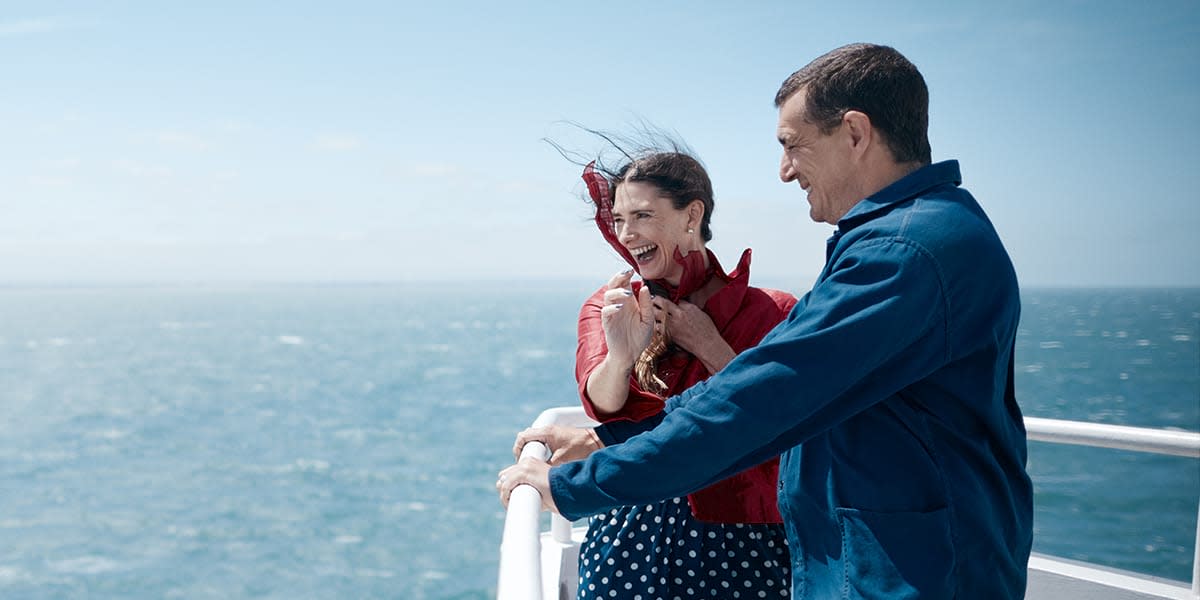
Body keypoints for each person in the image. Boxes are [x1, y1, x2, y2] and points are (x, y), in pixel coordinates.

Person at [499, 43, 1033, 599]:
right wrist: (609, 437)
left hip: (913, 571)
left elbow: (764, 400)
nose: (783, 172)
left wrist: (576, 483)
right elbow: (780, 393)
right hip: (902, 560)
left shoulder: (902, 253)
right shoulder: (915, 235)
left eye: (793, 145)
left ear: (854, 133)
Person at [563, 142, 797, 598]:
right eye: (618, 221)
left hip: (740, 540)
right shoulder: (610, 305)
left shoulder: (773, 311)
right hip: (629, 529)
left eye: (642, 216)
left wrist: (710, 346)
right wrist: (620, 354)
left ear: (692, 215)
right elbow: (603, 403)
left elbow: (784, 424)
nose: (626, 234)